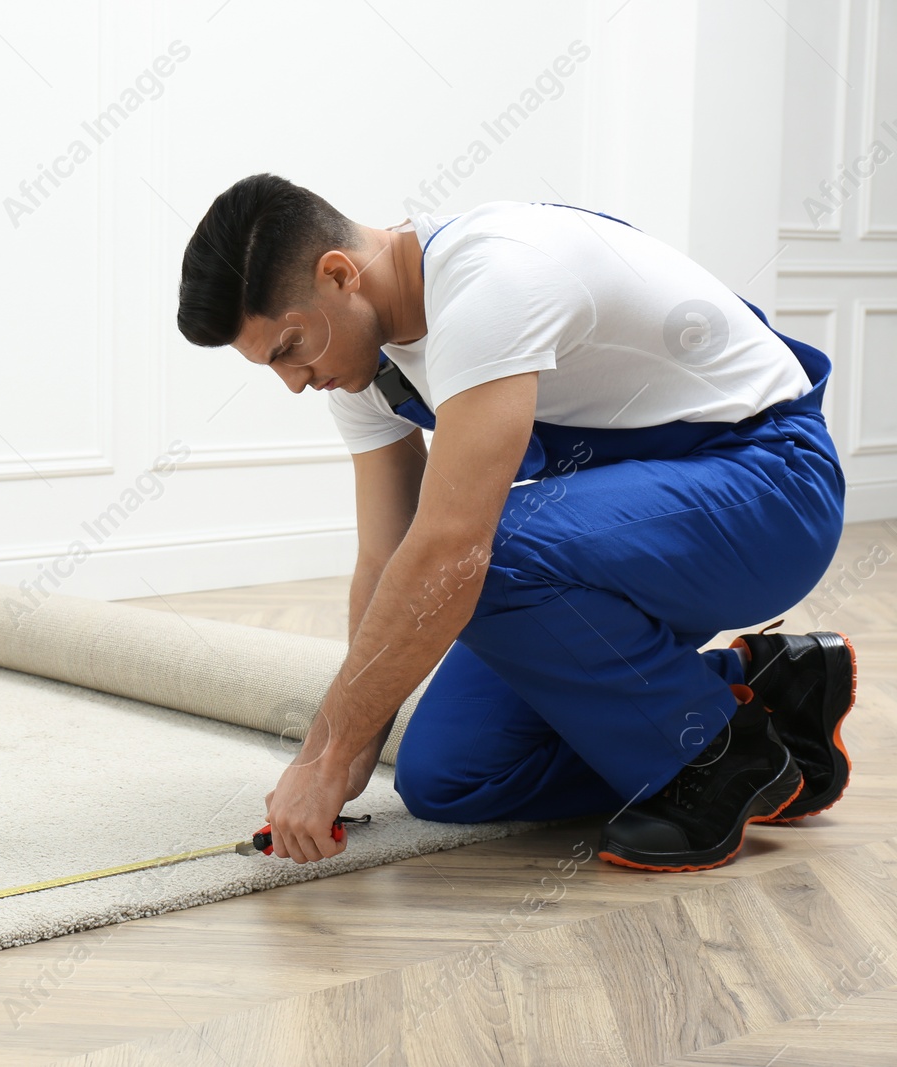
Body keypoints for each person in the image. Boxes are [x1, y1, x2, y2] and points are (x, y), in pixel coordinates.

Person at [175, 173, 857, 872]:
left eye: (290, 347)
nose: (293, 380)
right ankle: (764, 696)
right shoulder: (363, 372)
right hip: (651, 528)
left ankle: (717, 756)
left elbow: (449, 551)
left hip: (771, 489)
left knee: (477, 555)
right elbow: (384, 563)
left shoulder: (489, 279)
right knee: (451, 775)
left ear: (339, 274)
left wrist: (333, 757)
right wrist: (337, 756)